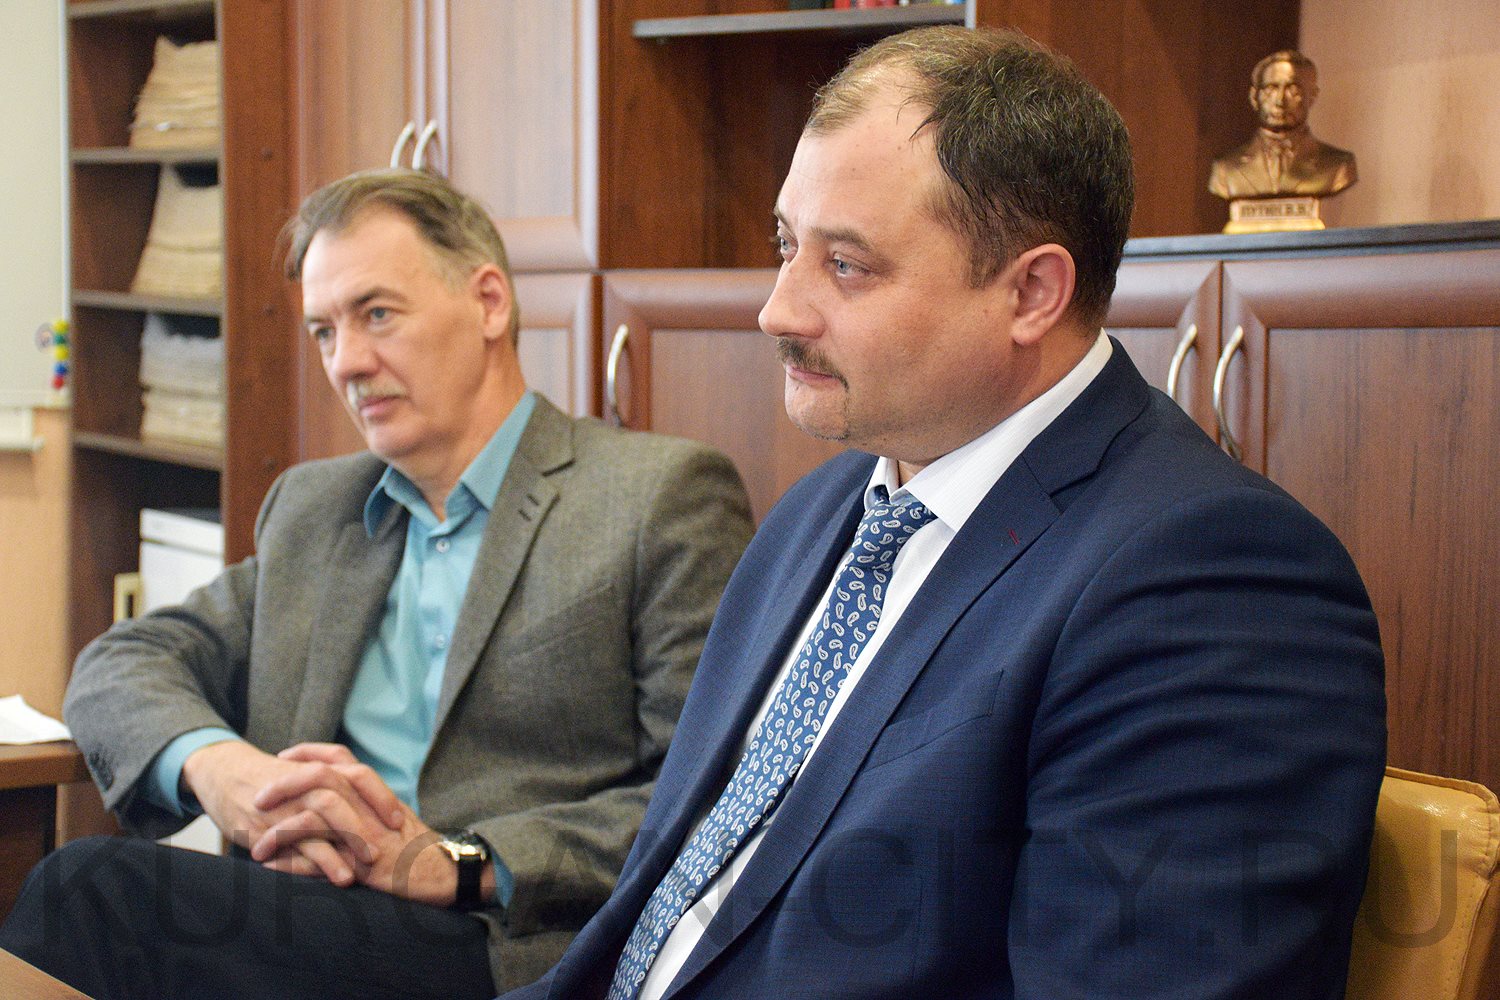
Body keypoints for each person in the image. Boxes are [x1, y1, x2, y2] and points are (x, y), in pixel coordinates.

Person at [503, 27, 1386, 1000]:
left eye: (847, 265)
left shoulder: (1212, 582)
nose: (777, 310)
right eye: (787, 245)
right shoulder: (825, 510)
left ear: (1032, 292)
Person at [0, 169, 754, 1000]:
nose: (348, 362)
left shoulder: (656, 497)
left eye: (377, 315)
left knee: (90, 893)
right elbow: (121, 663)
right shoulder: (314, 509)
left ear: (489, 303)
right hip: (304, 913)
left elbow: (714, 796)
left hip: (495, 939)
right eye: (324, 331)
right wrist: (222, 771)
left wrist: (459, 862)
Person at [1209, 50, 1357, 200]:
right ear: (1254, 97)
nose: (1280, 101)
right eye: (1270, 89)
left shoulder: (1338, 165)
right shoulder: (1225, 168)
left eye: (1293, 90)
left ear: (1312, 96)